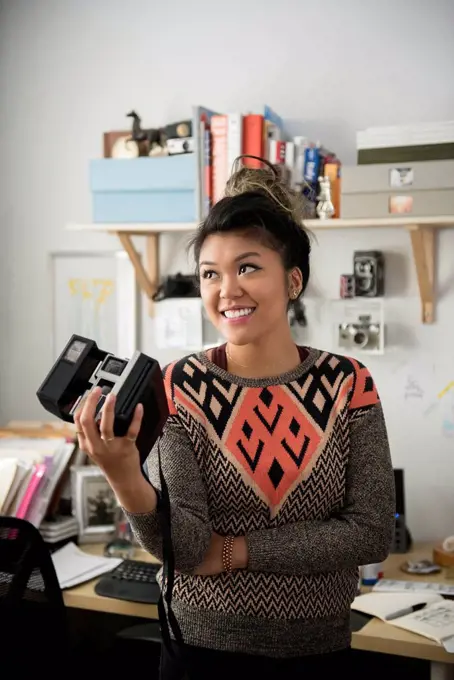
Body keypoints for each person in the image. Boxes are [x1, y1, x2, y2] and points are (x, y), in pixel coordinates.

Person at [75, 157, 396, 680]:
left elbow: (370, 532)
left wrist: (236, 550)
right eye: (210, 274)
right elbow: (184, 549)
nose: (227, 290)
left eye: (248, 267)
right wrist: (122, 474)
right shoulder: (179, 387)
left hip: (321, 651)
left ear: (293, 281)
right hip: (200, 653)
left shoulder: (347, 383)